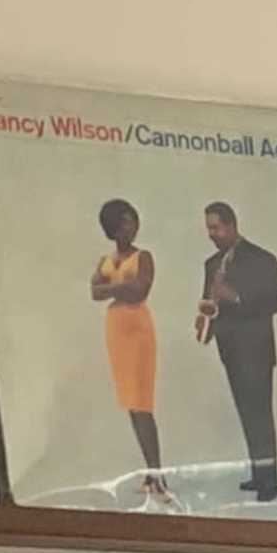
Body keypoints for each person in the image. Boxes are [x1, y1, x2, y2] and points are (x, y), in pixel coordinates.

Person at [193, 198, 277, 500]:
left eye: (216, 228)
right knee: (246, 414)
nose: (211, 234)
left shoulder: (262, 259)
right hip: (229, 351)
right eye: (208, 228)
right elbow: (211, 303)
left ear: (232, 225)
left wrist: (234, 296)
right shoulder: (211, 264)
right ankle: (259, 475)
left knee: (260, 414)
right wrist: (206, 316)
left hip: (256, 351)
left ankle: (269, 482)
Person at [88, 194, 163, 499]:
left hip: (137, 330)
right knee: (132, 403)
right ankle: (150, 473)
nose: (130, 229)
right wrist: (121, 286)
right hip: (116, 332)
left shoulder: (142, 256)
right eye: (124, 224)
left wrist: (112, 287)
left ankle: (157, 474)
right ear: (112, 228)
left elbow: (139, 290)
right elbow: (94, 291)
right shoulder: (106, 260)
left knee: (143, 402)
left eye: (133, 222)